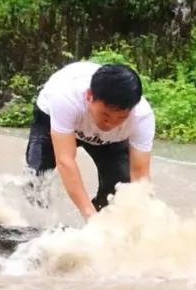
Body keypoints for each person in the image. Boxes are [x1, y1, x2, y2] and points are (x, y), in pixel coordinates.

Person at [25, 61, 155, 221]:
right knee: (36, 179)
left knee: (121, 191)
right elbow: (65, 160)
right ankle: (37, 230)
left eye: (121, 118)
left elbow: (139, 176)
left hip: (110, 142)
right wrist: (88, 214)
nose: (111, 124)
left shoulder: (142, 118)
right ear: (88, 96)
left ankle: (103, 229)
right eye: (105, 115)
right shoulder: (66, 97)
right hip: (52, 119)